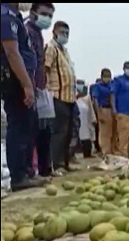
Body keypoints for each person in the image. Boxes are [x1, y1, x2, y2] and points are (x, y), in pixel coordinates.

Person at [1, 2, 45, 190]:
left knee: (28, 125)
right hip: (15, 79)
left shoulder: (14, 15)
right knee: (19, 126)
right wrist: (26, 84)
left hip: (23, 77)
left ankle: (27, 173)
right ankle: (18, 177)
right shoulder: (5, 15)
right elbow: (12, 52)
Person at [25, 2, 54, 178]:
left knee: (44, 130)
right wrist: (29, 86)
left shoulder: (38, 34)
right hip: (30, 87)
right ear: (33, 12)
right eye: (45, 14)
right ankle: (29, 172)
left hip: (40, 88)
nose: (47, 19)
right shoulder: (28, 31)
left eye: (50, 16)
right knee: (30, 132)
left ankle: (43, 169)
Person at [44, 20, 76, 174]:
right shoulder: (51, 48)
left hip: (70, 97)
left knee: (68, 132)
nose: (65, 36)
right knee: (60, 132)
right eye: (63, 33)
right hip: (58, 95)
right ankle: (56, 165)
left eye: (67, 33)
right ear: (55, 32)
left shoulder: (65, 51)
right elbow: (45, 69)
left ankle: (65, 162)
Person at [91, 69, 116, 156]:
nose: (107, 78)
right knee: (105, 133)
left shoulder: (112, 85)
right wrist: (99, 113)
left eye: (108, 76)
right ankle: (106, 153)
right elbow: (95, 100)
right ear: (102, 77)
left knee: (113, 133)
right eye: (105, 76)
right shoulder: (97, 86)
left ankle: (112, 152)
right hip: (103, 109)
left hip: (113, 110)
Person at [75, 81, 96, 158]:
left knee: (87, 136)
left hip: (86, 119)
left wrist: (93, 119)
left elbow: (90, 109)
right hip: (76, 119)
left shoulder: (87, 96)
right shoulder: (73, 95)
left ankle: (87, 153)